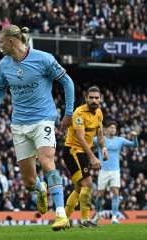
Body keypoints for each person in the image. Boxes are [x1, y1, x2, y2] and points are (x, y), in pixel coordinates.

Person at [0, 24, 75, 231]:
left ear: (11, 41)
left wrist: (69, 112)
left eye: (1, 41)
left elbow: (67, 82)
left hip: (43, 120)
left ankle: (60, 214)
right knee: (29, 182)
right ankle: (41, 190)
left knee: (48, 162)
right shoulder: (4, 65)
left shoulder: (43, 58)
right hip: (19, 125)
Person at [63, 86, 106, 228]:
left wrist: (103, 147)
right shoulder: (79, 113)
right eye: (91, 97)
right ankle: (85, 220)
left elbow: (99, 134)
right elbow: (80, 138)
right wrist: (93, 157)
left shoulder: (99, 113)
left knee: (78, 189)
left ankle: (63, 219)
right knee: (87, 184)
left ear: (100, 99)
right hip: (73, 150)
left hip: (83, 152)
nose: (94, 100)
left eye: (96, 98)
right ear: (86, 98)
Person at [92, 121, 139, 224]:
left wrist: (134, 137)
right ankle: (97, 215)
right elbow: (88, 143)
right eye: (111, 127)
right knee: (100, 195)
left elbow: (134, 145)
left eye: (114, 128)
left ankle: (114, 217)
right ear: (106, 129)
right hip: (103, 170)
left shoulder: (120, 140)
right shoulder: (100, 139)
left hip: (115, 171)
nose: (113, 129)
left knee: (115, 192)